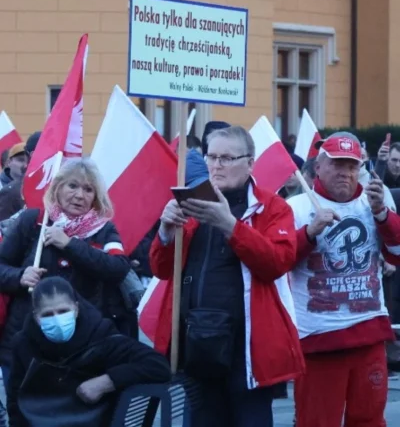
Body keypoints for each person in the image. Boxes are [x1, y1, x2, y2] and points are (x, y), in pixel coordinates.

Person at [150, 125, 304, 427]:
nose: (216, 165)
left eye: (227, 158)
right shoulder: (191, 199)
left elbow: (277, 262)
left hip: (247, 347)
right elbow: (161, 269)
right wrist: (165, 233)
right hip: (196, 343)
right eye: (211, 156)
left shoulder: (272, 207)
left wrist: (230, 225)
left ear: (250, 163)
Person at [287, 132, 400, 427]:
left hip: (370, 333)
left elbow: (397, 254)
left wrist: (382, 215)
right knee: (316, 422)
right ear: (318, 167)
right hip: (318, 339)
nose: (345, 173)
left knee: (370, 420)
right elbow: (277, 260)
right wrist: (310, 233)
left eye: (352, 166)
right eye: (337, 164)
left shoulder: (373, 202)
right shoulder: (296, 207)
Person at [0, 158, 133, 387]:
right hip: (25, 342)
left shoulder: (104, 229)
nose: (80, 195)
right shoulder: (33, 221)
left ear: (96, 196)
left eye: (88, 189)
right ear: (58, 188)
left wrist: (70, 244)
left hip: (81, 347)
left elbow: (118, 268)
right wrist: (19, 276)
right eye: (73, 186)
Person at [7, 277, 170, 427]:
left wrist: (107, 381)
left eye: (63, 311)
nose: (57, 319)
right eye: (48, 314)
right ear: (36, 317)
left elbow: (157, 365)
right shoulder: (23, 343)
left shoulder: (101, 334)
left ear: (76, 309)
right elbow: (16, 398)